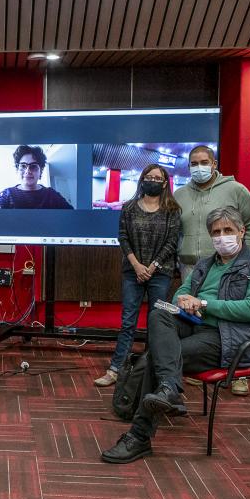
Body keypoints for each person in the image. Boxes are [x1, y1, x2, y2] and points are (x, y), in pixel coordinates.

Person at [100, 207, 250, 464]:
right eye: (216, 232)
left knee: (157, 357)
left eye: (228, 230)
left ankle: (139, 436)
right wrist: (184, 300)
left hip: (230, 337)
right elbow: (180, 294)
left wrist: (203, 303)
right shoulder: (206, 264)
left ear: (242, 231)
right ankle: (169, 387)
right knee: (159, 311)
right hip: (195, 325)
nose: (221, 236)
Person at [173, 144, 250, 396]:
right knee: (197, 318)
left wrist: (248, 259)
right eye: (193, 163)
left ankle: (240, 373)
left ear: (214, 164)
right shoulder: (179, 194)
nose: (198, 167)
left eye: (204, 162)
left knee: (233, 318)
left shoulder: (235, 189)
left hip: (231, 266)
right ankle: (204, 362)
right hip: (192, 266)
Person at [95, 165, 180, 387]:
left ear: (164, 183)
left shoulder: (172, 208)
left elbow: (172, 242)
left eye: (157, 177)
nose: (152, 180)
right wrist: (137, 266)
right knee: (128, 322)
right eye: (148, 177)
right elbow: (123, 237)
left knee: (157, 322)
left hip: (161, 273)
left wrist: (152, 267)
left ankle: (151, 372)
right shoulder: (129, 207)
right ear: (142, 180)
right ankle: (115, 370)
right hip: (133, 272)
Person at [0, 145, 73, 209]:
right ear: (18, 169)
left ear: (40, 171)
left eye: (33, 166)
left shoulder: (51, 194)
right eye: (23, 166)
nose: (28, 171)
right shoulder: (7, 194)